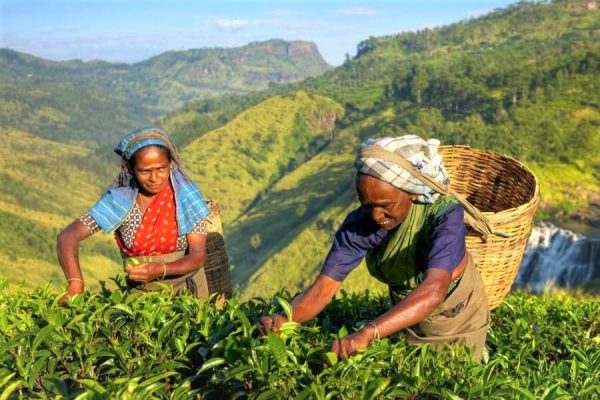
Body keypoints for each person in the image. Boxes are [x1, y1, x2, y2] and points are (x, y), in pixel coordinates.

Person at [260, 135, 490, 361]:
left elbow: (434, 290)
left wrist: (368, 333)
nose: (376, 215)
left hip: (458, 313)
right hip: (407, 313)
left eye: (385, 206)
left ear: (410, 191)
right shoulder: (360, 225)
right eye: (366, 205)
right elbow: (322, 289)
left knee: (456, 377)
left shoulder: (444, 215)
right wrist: (284, 318)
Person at [57, 126, 212, 302]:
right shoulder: (120, 201)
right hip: (141, 300)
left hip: (188, 293)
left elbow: (197, 256)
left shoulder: (186, 197)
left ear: (171, 165)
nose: (154, 178)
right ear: (131, 169)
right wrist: (76, 284)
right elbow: (67, 237)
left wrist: (159, 269)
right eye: (144, 171)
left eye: (161, 169)